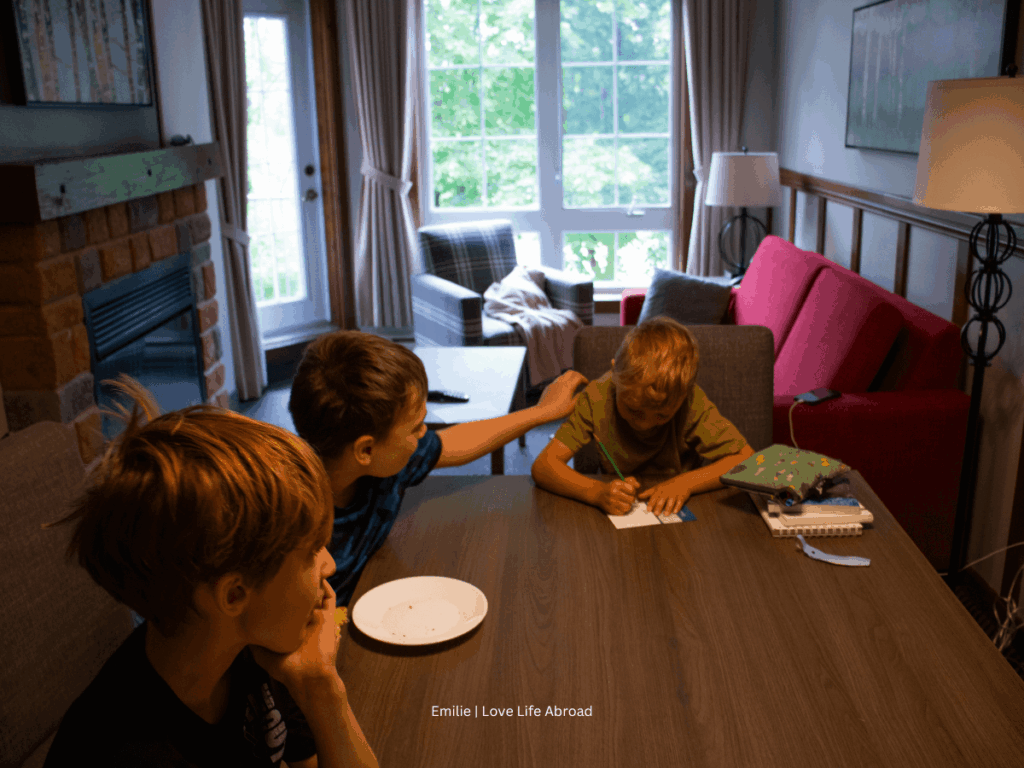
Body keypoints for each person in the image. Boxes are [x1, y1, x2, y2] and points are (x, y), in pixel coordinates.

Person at [42, 376, 378, 768]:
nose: (330, 564)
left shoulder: (251, 647)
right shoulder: (130, 752)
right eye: (311, 553)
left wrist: (321, 689)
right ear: (234, 595)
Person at [288, 330, 587, 605]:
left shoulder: (381, 463)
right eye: (416, 427)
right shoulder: (290, 523)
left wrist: (540, 412)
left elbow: (451, 443)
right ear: (366, 449)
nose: (424, 435)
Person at [531, 316, 755, 517]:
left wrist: (686, 483)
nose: (644, 424)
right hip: (615, 505)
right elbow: (543, 466)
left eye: (661, 416)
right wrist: (596, 492)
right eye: (632, 410)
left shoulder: (690, 402)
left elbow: (746, 460)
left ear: (684, 395)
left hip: (684, 511)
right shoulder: (597, 397)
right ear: (615, 374)